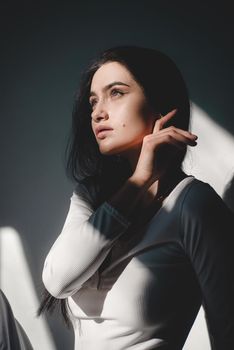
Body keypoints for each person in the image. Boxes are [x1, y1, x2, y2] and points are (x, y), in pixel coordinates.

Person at [38, 46, 234, 349]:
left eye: (116, 93)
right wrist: (139, 180)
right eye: (93, 101)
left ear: (162, 107)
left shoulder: (193, 205)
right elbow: (57, 281)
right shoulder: (90, 196)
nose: (98, 112)